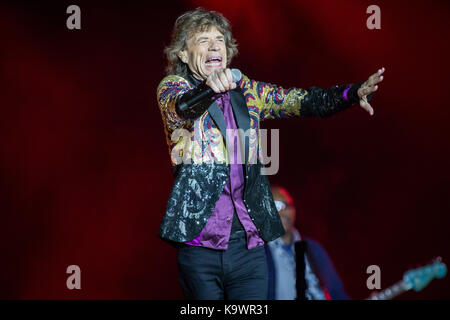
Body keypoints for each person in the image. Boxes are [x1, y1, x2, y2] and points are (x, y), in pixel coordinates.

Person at [156, 8, 385, 300]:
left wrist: (351, 94)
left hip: (249, 248)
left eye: (219, 40)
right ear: (184, 55)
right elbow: (182, 108)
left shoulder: (246, 91)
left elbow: (299, 101)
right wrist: (208, 90)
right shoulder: (173, 88)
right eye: (203, 39)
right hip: (200, 245)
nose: (215, 46)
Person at [266, 186, 350, 300]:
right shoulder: (256, 252)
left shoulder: (314, 249)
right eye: (273, 206)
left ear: (293, 210)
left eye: (285, 205)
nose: (280, 211)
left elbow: (337, 293)